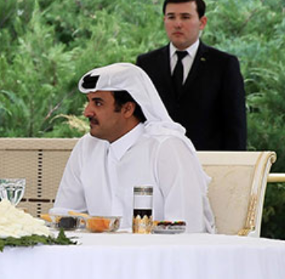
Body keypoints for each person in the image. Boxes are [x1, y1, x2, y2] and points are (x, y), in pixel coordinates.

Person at [54, 62, 215, 233]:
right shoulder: (86, 147)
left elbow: (187, 228)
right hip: (97, 250)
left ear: (127, 109)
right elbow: (64, 217)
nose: (87, 112)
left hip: (159, 250)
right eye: (88, 102)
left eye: (98, 103)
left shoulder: (167, 148)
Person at [136, 0, 246, 151]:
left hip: (207, 159)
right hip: (158, 157)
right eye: (171, 17)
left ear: (202, 22)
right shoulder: (147, 64)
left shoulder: (223, 64)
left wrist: (235, 162)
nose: (177, 24)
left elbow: (235, 124)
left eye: (185, 17)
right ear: (164, 20)